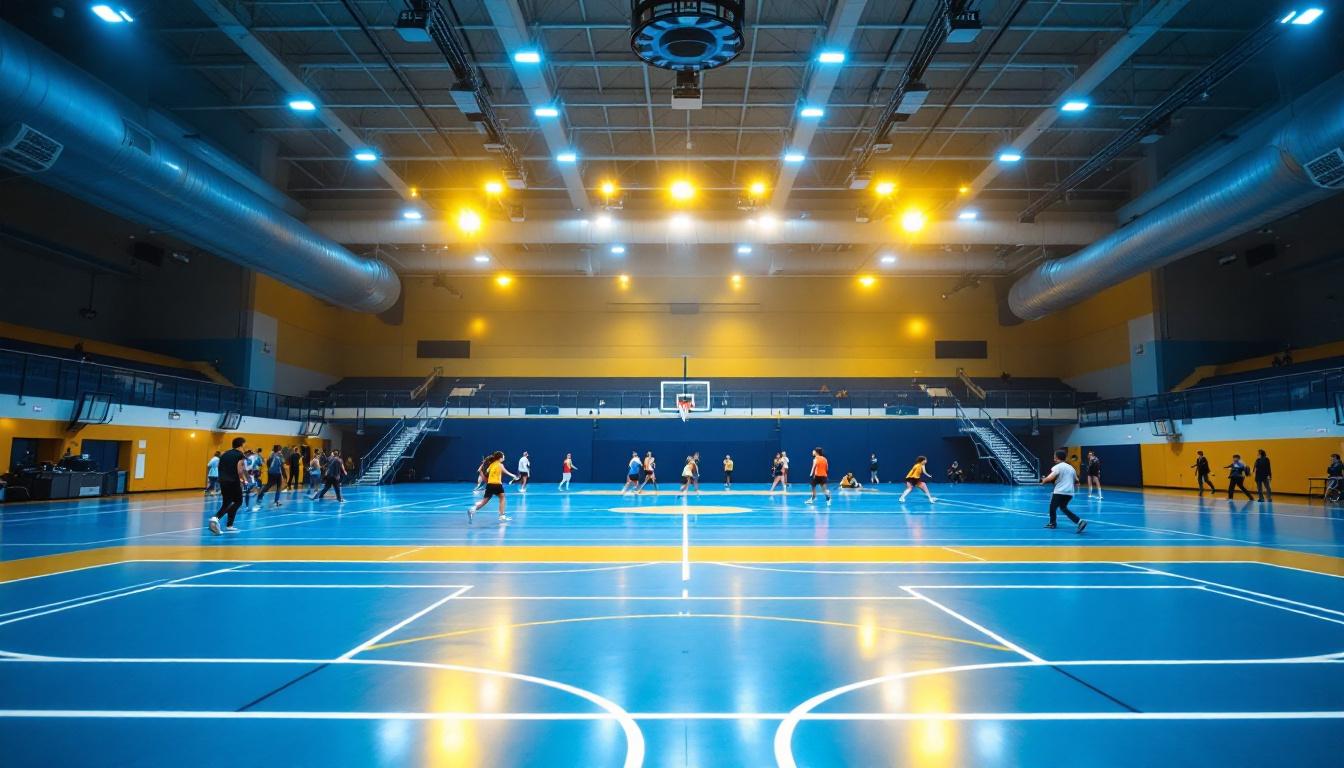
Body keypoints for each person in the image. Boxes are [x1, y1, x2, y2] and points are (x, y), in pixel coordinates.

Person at [207, 437, 248, 535]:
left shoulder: (225, 454)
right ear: (241, 444)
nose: (245, 446)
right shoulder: (240, 455)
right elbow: (239, 470)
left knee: (227, 502)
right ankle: (215, 518)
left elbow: (220, 467)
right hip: (233, 481)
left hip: (222, 481)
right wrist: (244, 480)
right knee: (238, 501)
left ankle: (229, 525)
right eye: (245, 444)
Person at [1040, 449, 1087, 533]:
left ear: (1057, 457)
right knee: (1063, 507)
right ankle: (1080, 521)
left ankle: (1052, 523)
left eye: (1054, 456)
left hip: (1060, 491)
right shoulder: (1071, 467)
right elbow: (1077, 481)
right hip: (1070, 492)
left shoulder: (1057, 467)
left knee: (1052, 507)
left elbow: (1050, 477)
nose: (1053, 458)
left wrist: (1044, 480)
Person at [469, 451, 517, 525]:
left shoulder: (491, 465)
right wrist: (513, 475)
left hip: (490, 485)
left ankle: (472, 509)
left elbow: (486, 474)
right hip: (497, 484)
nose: (504, 457)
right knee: (502, 498)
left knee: (484, 501)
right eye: (503, 456)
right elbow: (506, 472)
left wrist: (481, 471)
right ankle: (502, 516)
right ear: (500, 458)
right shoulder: (500, 465)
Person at [254, 445, 286, 509]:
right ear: (279, 450)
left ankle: (260, 498)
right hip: (276, 473)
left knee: (270, 486)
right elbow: (282, 463)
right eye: (280, 449)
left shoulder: (271, 455)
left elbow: (268, 463)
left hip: (272, 473)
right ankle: (275, 500)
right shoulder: (278, 457)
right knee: (276, 486)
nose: (281, 450)